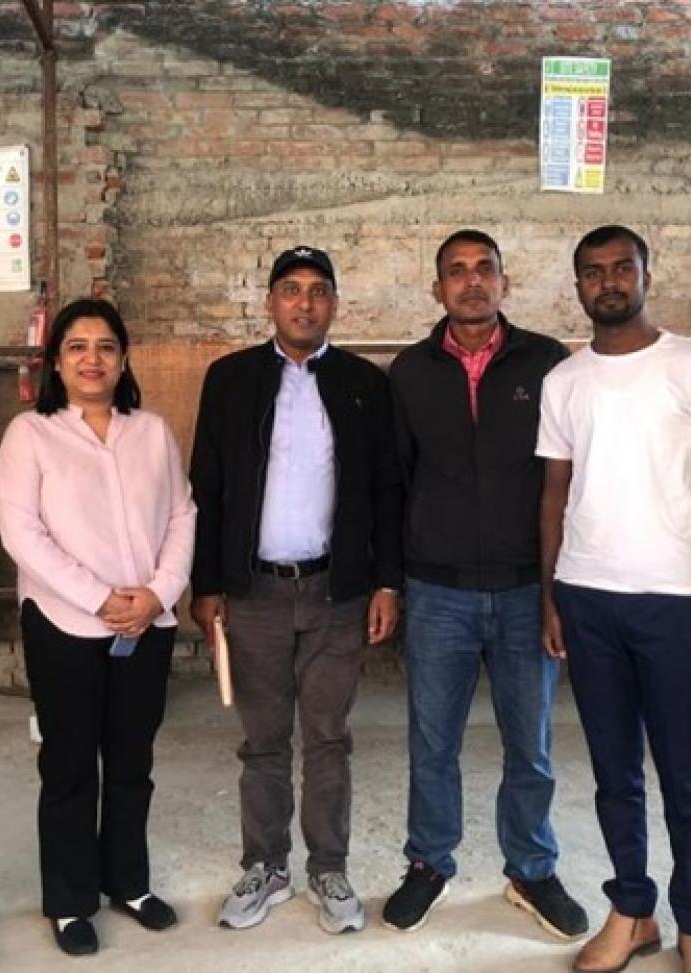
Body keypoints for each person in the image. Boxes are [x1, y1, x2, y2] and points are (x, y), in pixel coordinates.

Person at [537, 225, 691, 973]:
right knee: (613, 769)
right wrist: (549, 596)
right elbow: (553, 494)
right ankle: (631, 910)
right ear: (579, 285)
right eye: (593, 272)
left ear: (647, 273)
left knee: (683, 769)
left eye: (623, 267)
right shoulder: (566, 380)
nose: (609, 281)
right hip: (587, 597)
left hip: (671, 597)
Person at [189, 246, 403, 934]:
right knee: (262, 739)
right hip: (253, 590)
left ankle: (328, 867)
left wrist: (386, 583)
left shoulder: (366, 383)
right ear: (271, 301)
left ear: (334, 304)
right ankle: (267, 864)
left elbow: (385, 493)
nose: (304, 303)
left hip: (336, 591)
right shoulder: (230, 379)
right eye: (290, 290)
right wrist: (207, 583)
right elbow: (209, 486)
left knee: (329, 736)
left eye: (317, 291)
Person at [383, 228, 586, 940]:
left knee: (528, 741)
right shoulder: (409, 372)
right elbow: (394, 482)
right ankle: (429, 863)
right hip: (437, 589)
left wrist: (563, 585)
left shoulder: (548, 363)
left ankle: (530, 867)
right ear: (436, 287)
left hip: (528, 586)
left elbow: (567, 478)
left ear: (505, 280)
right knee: (431, 740)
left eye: (484, 269)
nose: (471, 282)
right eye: (456, 272)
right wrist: (396, 580)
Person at [0, 298, 196, 956]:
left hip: (148, 619)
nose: (92, 358)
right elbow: (21, 530)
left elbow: (182, 514)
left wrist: (160, 591)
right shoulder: (32, 434)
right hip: (63, 622)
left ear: (124, 358)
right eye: (77, 345)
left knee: (132, 759)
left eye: (106, 345)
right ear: (56, 360)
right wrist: (100, 597)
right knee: (72, 763)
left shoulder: (152, 431)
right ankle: (71, 897)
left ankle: (127, 881)